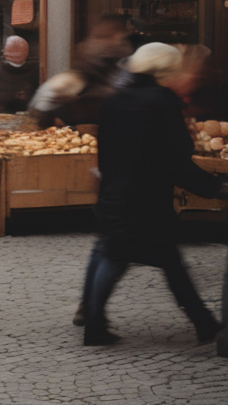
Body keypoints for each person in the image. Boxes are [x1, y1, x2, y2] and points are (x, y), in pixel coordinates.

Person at [79, 42, 228, 346]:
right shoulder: (162, 102)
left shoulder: (114, 100)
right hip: (148, 198)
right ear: (165, 71)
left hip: (117, 195)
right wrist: (215, 188)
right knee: (166, 260)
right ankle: (203, 323)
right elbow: (176, 159)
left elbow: (105, 158)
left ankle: (94, 324)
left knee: (115, 254)